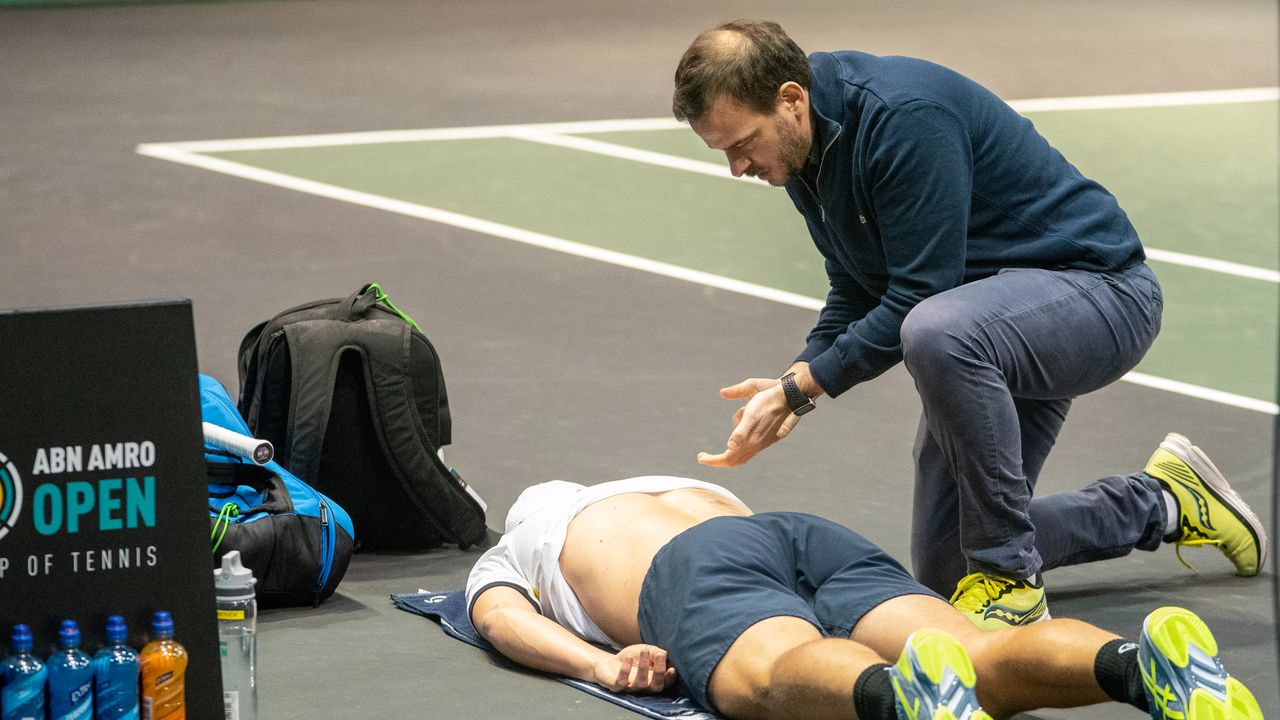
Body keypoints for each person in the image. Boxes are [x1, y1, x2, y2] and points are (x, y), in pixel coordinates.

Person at [671, 20, 1267, 626]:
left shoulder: (902, 117)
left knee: (936, 331)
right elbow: (856, 283)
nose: (737, 166)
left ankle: (1011, 577)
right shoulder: (806, 150)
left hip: (1097, 295)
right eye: (723, 151)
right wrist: (788, 383)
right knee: (949, 570)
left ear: (791, 99)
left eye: (741, 143)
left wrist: (806, 391)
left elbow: (916, 297)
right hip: (989, 325)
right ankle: (1167, 502)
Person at [466, 477, 1262, 720]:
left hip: (695, 569)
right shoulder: (665, 484)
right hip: (799, 529)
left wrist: (603, 670)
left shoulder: (523, 545)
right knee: (976, 648)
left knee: (768, 677)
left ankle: (901, 696)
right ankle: (1139, 667)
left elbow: (499, 620)